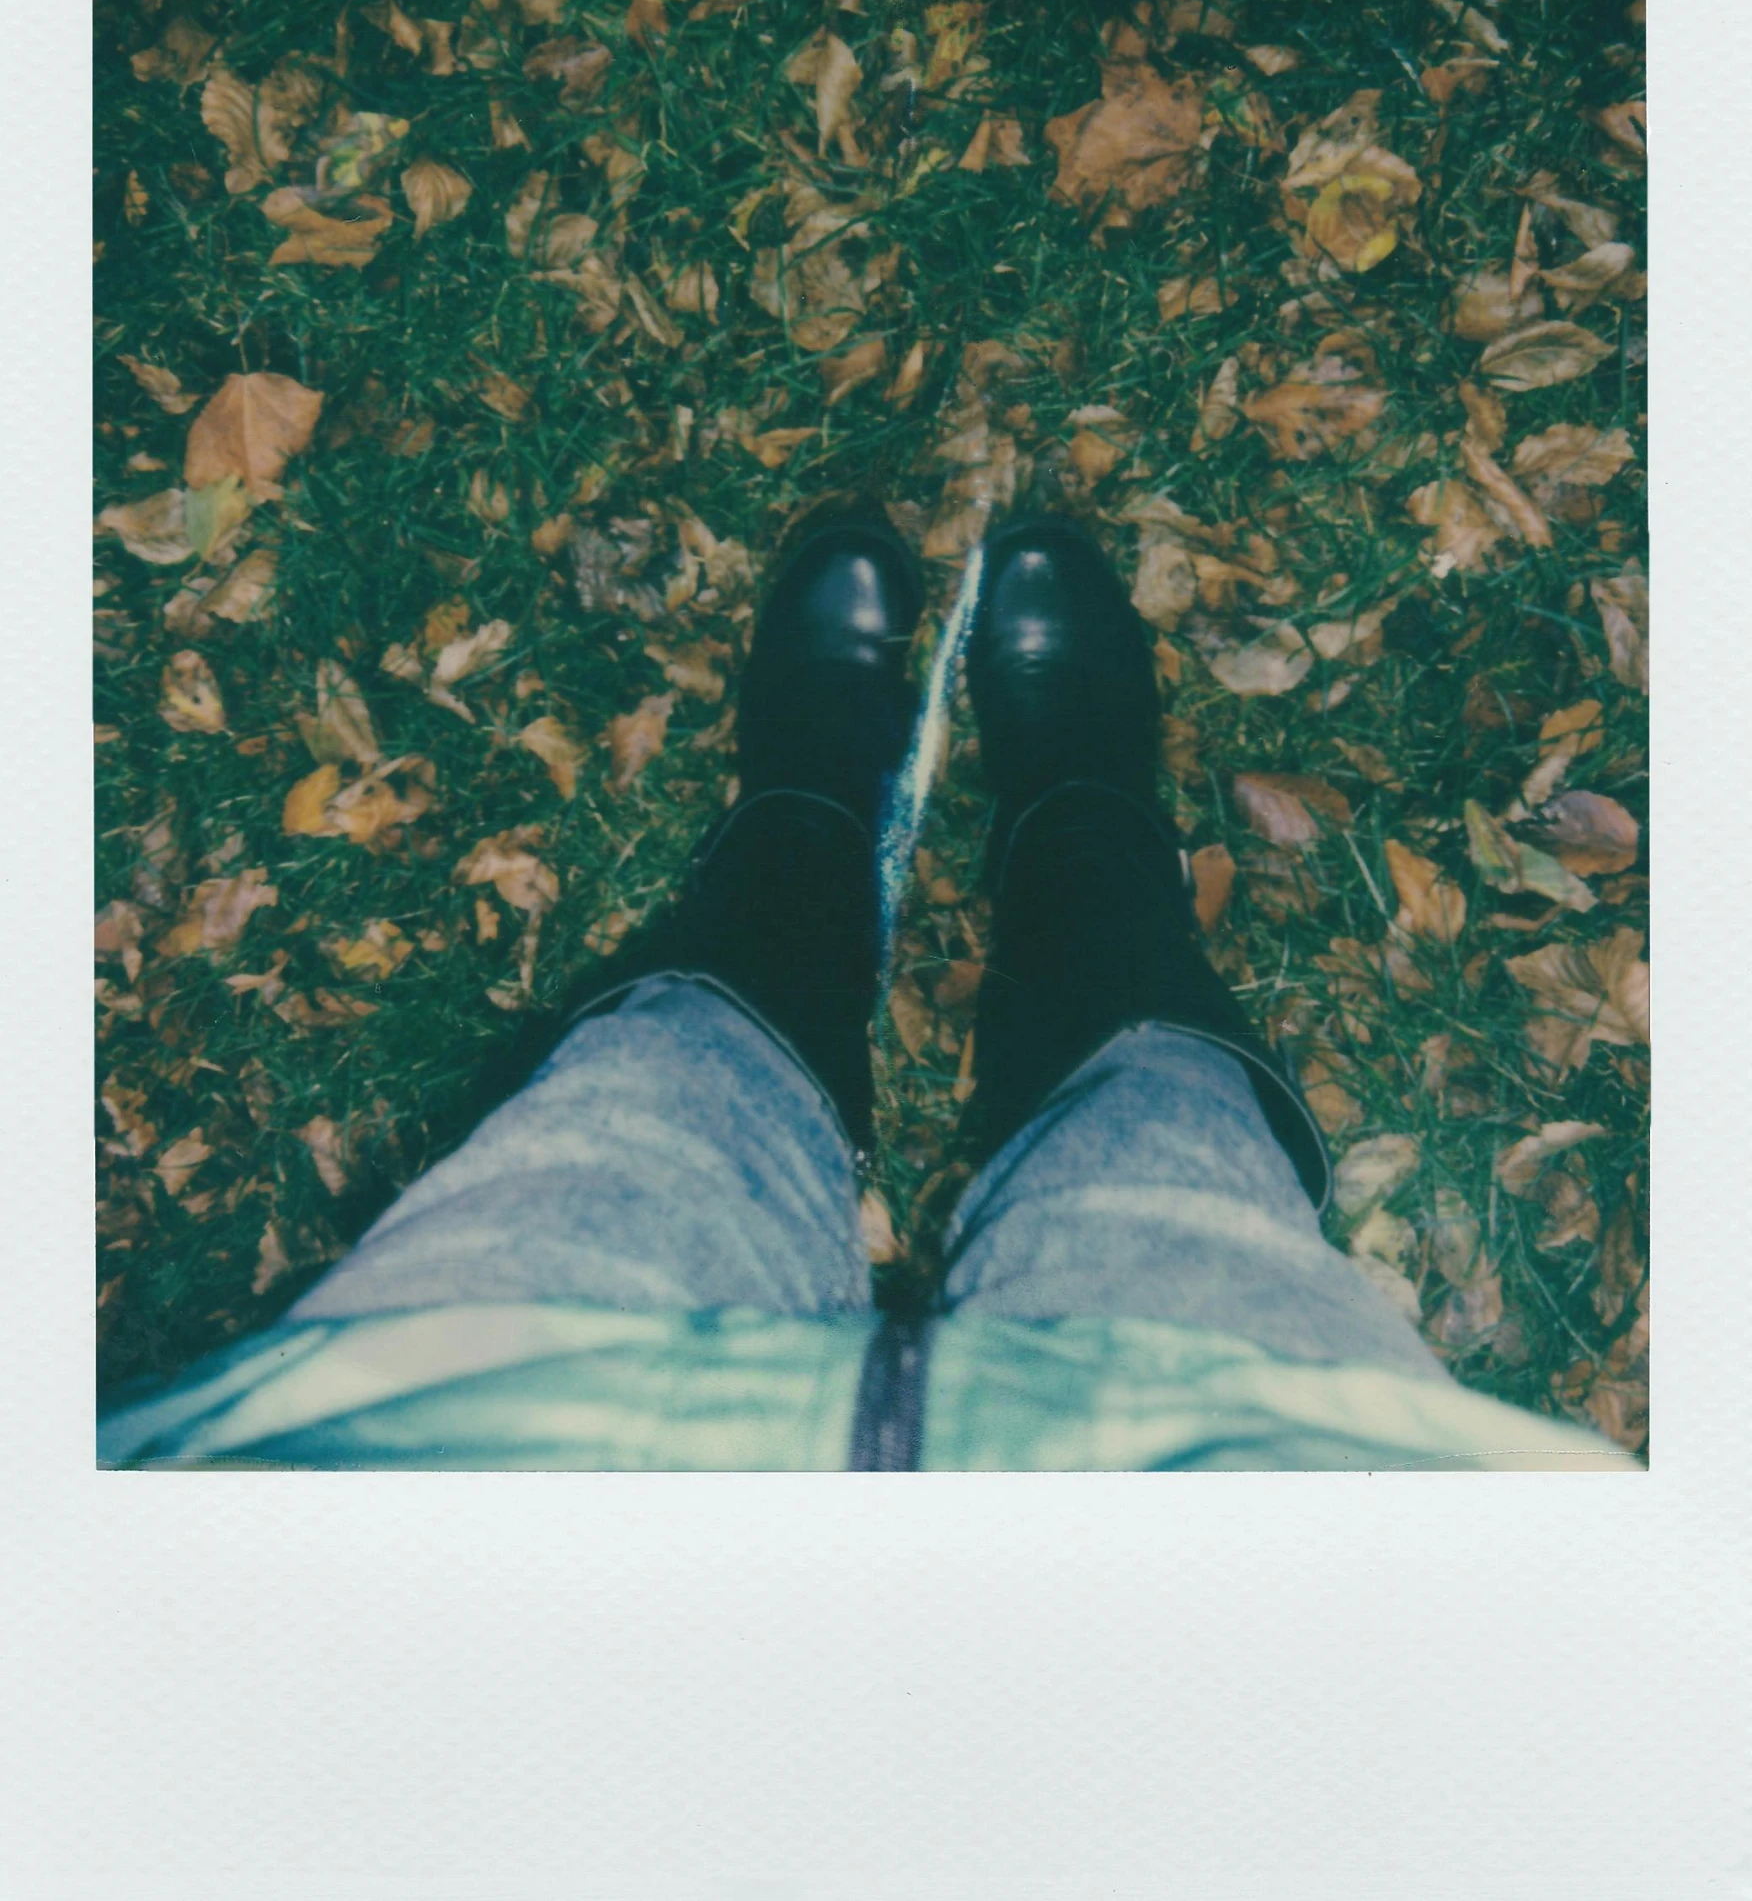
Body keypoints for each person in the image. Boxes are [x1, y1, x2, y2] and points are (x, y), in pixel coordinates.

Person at [99, 513, 1629, 1470]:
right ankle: (1077, 807)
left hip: (487, 1431)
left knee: (657, 1098)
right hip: (1243, 1477)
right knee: (1164, 1135)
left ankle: (814, 800)